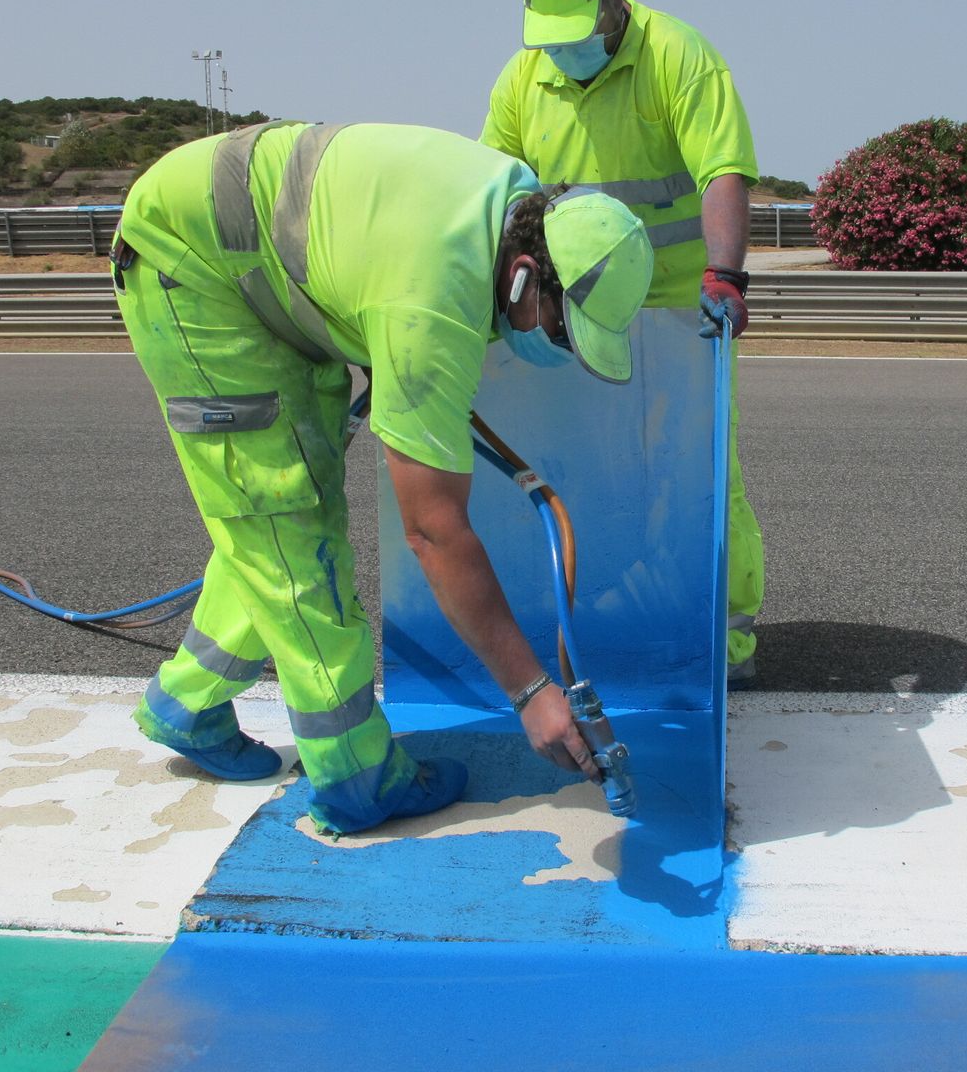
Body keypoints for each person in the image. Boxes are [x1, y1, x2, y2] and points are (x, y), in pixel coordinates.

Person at [112, 120, 653, 835]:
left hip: (255, 266)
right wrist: (530, 692)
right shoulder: (434, 299)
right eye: (560, 332)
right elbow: (433, 532)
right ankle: (355, 777)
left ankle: (187, 703)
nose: (554, 351)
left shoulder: (512, 206)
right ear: (523, 274)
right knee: (289, 522)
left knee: (275, 519)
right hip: (196, 268)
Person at [480, 0, 766, 685]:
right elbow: (493, 189)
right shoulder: (522, 79)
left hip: (677, 308)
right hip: (575, 310)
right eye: (552, 38)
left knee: (694, 467)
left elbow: (722, 171)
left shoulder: (678, 56)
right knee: (591, 469)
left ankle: (722, 635)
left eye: (576, 34)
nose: (564, 50)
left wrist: (725, 275)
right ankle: (605, 618)